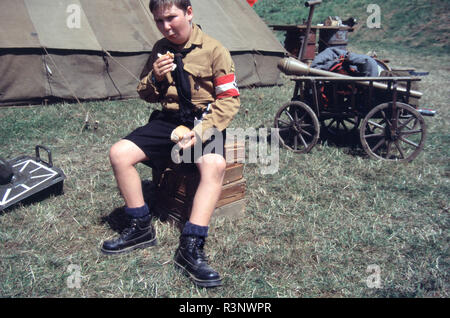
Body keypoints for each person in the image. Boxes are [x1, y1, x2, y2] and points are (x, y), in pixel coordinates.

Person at [101, 0, 240, 288]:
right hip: (169, 121)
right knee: (119, 153)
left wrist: (201, 131)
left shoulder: (215, 50)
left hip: (205, 120)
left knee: (213, 164)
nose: (166, 27)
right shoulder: (160, 48)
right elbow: (146, 93)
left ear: (189, 13)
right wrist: (155, 77)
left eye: (171, 18)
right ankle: (140, 226)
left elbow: (229, 99)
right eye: (159, 21)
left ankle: (191, 244)